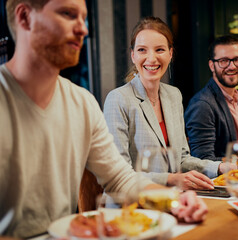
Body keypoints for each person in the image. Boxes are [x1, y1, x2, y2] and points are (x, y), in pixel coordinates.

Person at [0, 1, 207, 238]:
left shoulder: (83, 103)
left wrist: (175, 202)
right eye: (68, 14)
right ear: (25, 17)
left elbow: (120, 178)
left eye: (83, 18)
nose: (84, 29)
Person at [103, 17, 234, 190]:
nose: (151, 58)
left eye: (159, 50)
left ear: (170, 54)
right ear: (133, 55)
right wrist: (171, 179)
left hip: (173, 198)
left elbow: (182, 159)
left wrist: (220, 167)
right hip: (134, 204)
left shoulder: (173, 95)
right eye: (142, 50)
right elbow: (119, 174)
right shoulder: (118, 99)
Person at [184, 35, 238, 161]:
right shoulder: (202, 105)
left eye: (237, 59)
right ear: (212, 66)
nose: (232, 66)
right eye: (223, 61)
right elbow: (203, 161)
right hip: (219, 180)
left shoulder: (237, 98)